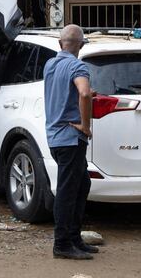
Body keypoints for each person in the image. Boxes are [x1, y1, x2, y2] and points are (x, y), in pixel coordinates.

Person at [42, 24, 96, 260]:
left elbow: (72, 92)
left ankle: (74, 238)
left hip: (55, 137)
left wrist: (86, 95)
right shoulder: (78, 65)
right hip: (71, 138)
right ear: (81, 45)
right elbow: (83, 93)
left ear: (59, 43)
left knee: (82, 184)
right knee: (67, 191)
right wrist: (86, 125)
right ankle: (62, 244)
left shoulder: (50, 65)